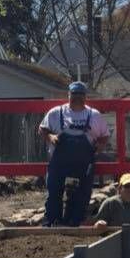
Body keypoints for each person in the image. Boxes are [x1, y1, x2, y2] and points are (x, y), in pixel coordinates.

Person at [39, 81, 110, 227]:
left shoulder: (94, 115)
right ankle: (52, 224)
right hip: (59, 163)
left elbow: (104, 135)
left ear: (85, 96)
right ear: (68, 95)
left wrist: (100, 145)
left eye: (80, 94)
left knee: (82, 194)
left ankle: (76, 225)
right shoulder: (56, 112)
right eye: (74, 94)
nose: (77, 97)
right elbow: (42, 129)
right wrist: (50, 137)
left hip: (83, 164)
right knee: (54, 192)